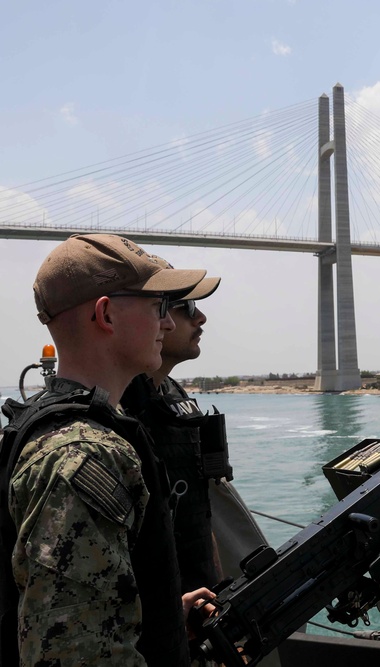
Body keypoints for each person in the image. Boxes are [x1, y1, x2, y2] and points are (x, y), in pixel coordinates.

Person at [0, 234, 215, 666]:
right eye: (157, 306)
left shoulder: (71, 430)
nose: (168, 323)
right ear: (106, 314)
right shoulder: (83, 456)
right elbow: (73, 654)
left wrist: (164, 616)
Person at [120, 260, 228, 594]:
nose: (201, 318)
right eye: (187, 307)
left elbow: (197, 507)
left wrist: (217, 586)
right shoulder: (117, 411)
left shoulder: (175, 395)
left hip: (198, 605)